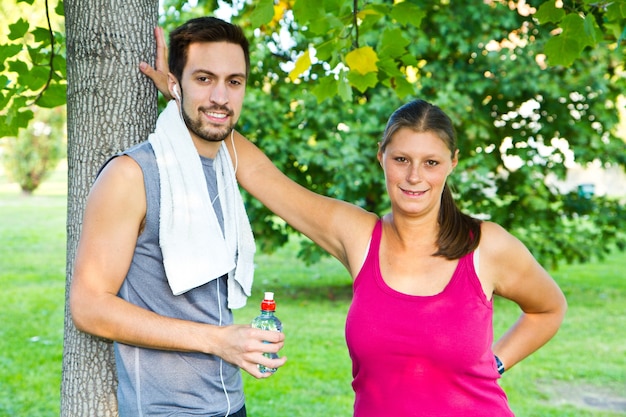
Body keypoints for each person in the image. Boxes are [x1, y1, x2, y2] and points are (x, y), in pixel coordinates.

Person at [143, 34, 567, 417]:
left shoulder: (485, 245)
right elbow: (257, 173)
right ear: (381, 156)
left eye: (431, 163)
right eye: (401, 160)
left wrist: (495, 363)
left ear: (452, 165)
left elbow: (548, 308)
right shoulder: (358, 235)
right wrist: (185, 98)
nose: (414, 177)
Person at [70, 17, 286, 417]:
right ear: (176, 82)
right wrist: (219, 340)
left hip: (229, 403)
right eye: (203, 78)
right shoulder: (132, 175)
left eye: (234, 82)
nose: (221, 96)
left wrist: (233, 344)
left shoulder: (227, 164)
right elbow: (88, 306)